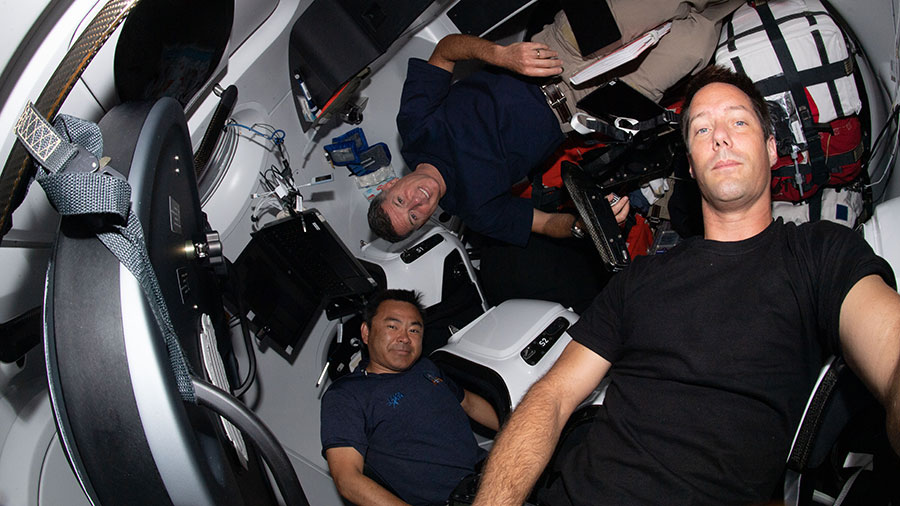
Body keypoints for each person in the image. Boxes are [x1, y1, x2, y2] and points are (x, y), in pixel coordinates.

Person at [472, 65, 900, 505]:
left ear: (772, 149)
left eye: (738, 121)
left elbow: (892, 354)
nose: (720, 137)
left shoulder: (820, 255)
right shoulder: (640, 279)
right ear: (692, 167)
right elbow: (554, 395)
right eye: (701, 129)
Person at [320, 289, 499, 506]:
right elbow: (348, 479)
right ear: (366, 333)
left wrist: (520, 431)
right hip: (455, 499)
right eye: (392, 327)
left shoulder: (426, 367)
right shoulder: (347, 395)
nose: (404, 338)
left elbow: (470, 403)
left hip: (491, 472)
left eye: (414, 330)